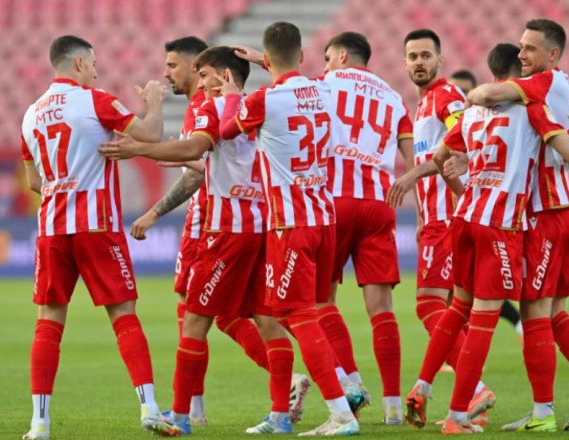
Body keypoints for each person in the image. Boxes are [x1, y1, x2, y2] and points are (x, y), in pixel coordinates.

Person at [408, 42, 569, 435]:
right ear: (520, 76)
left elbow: (440, 158)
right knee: (516, 316)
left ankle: (423, 387)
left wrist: (460, 186)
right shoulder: (534, 106)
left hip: (467, 217)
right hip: (511, 221)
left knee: (463, 307)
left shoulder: (472, 111)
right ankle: (468, 415)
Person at [101, 45, 300, 435]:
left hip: (227, 231)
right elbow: (222, 158)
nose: (202, 82)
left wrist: (140, 148)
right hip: (264, 227)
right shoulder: (261, 107)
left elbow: (197, 146)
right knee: (267, 320)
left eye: (205, 74)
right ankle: (280, 416)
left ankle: (180, 415)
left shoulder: (213, 107)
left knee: (194, 320)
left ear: (224, 76)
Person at [20, 35, 179, 439]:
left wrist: (62, 187)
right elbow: (152, 134)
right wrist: (154, 101)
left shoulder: (31, 114)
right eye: (93, 64)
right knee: (123, 314)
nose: (96, 70)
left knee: (49, 321)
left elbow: (33, 181)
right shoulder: (96, 101)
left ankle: (39, 423)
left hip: (51, 228)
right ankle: (150, 409)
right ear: (78, 64)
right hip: (96, 225)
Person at [467, 18, 569, 432]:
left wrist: (473, 95)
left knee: (534, 312)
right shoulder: (563, 86)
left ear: (553, 54)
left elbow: (487, 93)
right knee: (553, 313)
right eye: (519, 47)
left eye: (530, 48)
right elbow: (565, 150)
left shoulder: (542, 84)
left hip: (546, 213)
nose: (521, 55)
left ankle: (543, 414)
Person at [221, 21, 359, 436]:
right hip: (324, 220)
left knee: (298, 318)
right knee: (308, 313)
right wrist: (267, 62)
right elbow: (291, 83)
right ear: (301, 56)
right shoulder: (323, 90)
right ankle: (337, 392)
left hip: (290, 224)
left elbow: (226, 131)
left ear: (267, 59)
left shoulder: (261, 100)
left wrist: (232, 95)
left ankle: (341, 412)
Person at [388, 28, 496, 426]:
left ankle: (476, 389)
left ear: (440, 60)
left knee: (430, 305)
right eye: (413, 56)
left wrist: (412, 176)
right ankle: (469, 406)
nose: (419, 62)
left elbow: (464, 137)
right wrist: (421, 217)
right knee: (453, 311)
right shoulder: (422, 106)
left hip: (450, 218)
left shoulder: (446, 96)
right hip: (435, 219)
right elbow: (436, 154)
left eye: (426, 55)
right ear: (404, 62)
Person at [314, 31, 414, 425]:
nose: (324, 65)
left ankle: (353, 384)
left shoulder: (322, 84)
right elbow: (413, 161)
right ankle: (393, 408)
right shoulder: (394, 97)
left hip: (334, 201)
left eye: (327, 57)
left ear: (341, 55)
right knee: (382, 309)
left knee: (322, 301)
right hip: (379, 203)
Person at [449, 69, 525, 344]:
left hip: (482, 215)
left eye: (464, 91)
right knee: (464, 297)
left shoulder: (478, 116)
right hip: (465, 214)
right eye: (455, 91)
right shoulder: (465, 119)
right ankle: (463, 358)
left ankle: (460, 360)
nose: (458, 97)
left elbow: (440, 158)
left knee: (472, 296)